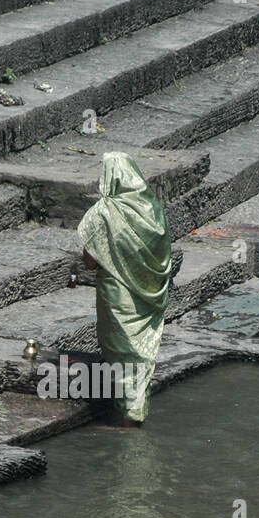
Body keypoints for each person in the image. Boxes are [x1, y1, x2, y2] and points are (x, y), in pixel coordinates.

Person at [75, 152, 173, 427]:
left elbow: (90, 262)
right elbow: (163, 252)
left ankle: (130, 419)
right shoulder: (152, 211)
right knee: (139, 354)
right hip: (146, 296)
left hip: (116, 297)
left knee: (121, 351)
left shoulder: (104, 212)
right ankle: (135, 413)